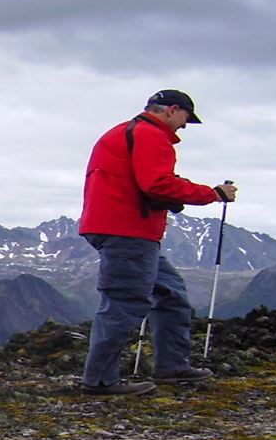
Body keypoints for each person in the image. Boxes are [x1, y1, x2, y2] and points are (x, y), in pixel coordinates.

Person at [79, 89, 237, 396]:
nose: (184, 127)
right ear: (172, 110)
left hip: (117, 227)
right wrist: (213, 194)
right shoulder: (151, 136)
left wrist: (171, 200)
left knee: (170, 292)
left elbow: (142, 185)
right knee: (125, 303)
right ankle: (99, 381)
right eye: (185, 119)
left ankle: (172, 366)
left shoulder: (124, 132)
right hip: (129, 231)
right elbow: (157, 183)